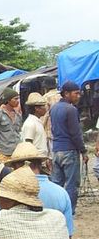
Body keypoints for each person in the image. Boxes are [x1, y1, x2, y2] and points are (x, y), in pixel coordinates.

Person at [5, 142, 73, 239]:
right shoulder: (61, 193)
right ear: (39, 165)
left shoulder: (9, 192)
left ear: (16, 167)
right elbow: (68, 235)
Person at [50, 81, 87, 211]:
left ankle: (55, 209)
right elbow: (75, 134)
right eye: (76, 93)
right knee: (72, 184)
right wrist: (83, 151)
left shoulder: (54, 108)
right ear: (66, 94)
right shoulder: (71, 109)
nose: (78, 96)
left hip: (56, 150)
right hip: (69, 151)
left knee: (57, 183)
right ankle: (69, 211)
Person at [0, 88, 23, 158]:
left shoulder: (18, 115)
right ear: (8, 100)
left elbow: (19, 132)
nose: (18, 101)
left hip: (17, 152)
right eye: (15, 99)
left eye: (18, 99)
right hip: (3, 152)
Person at [20, 92, 50, 158]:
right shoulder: (30, 123)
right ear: (37, 108)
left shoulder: (37, 121)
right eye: (43, 106)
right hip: (35, 158)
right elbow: (28, 144)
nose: (45, 108)